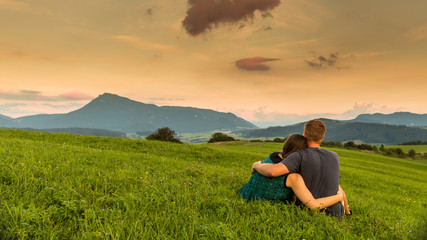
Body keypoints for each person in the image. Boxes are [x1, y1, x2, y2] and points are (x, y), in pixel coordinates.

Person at [251, 119, 351, 217]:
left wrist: (257, 165)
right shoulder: (334, 156)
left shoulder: (300, 155)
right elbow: (338, 187)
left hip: (308, 212)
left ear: (304, 134)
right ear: (322, 137)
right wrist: (347, 211)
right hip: (336, 214)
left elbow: (273, 172)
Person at [239, 133, 346, 211]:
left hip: (245, 194)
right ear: (302, 153)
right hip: (263, 206)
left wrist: (256, 165)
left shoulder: (272, 157)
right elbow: (313, 205)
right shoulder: (293, 177)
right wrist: (338, 197)